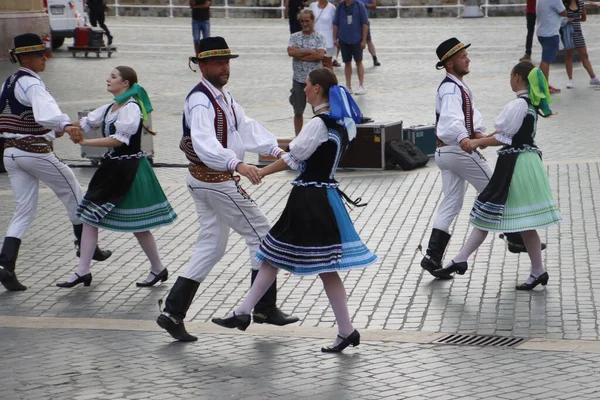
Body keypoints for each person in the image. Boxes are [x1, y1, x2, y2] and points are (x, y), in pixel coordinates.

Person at [212, 68, 377, 353]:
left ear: (317, 89)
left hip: (309, 199)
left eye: (308, 85)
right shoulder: (338, 123)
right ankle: (245, 311)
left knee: (281, 256)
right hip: (323, 196)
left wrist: (261, 172)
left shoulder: (319, 124)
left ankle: (245, 311)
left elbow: (293, 158)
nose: (304, 89)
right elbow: (300, 159)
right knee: (284, 257)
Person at [156, 37, 299, 342]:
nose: (225, 67)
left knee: (212, 245)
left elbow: (245, 127)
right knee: (263, 236)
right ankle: (262, 306)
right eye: (219, 63)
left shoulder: (222, 96)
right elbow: (204, 142)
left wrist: (274, 149)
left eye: (228, 62)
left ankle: (172, 312)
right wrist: (236, 164)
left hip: (207, 180)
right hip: (216, 180)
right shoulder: (200, 101)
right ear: (202, 65)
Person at [420, 38, 545, 279]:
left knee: (451, 203)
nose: (468, 59)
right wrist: (465, 138)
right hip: (457, 150)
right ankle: (516, 238)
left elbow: (470, 115)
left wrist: (477, 132)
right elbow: (451, 118)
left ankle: (432, 256)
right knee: (496, 188)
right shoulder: (449, 88)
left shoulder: (459, 86)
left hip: (445, 153)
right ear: (449, 62)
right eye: (462, 56)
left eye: (466, 55)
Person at [434, 61, 561, 289]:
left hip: (515, 165)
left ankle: (461, 259)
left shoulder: (517, 105)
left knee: (491, 211)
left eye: (510, 76)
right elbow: (505, 132)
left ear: (516, 77)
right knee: (516, 219)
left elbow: (503, 138)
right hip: (525, 162)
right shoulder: (529, 104)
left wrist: (476, 142)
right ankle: (536, 270)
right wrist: (482, 140)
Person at [0, 34, 112, 292]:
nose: (45, 57)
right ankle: (87, 246)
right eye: (40, 54)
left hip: (11, 154)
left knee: (24, 209)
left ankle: (6, 264)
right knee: (74, 192)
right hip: (34, 152)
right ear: (26, 57)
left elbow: (21, 116)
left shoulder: (9, 82)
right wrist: (63, 125)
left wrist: (53, 129)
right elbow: (45, 113)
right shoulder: (32, 84)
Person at [56, 66, 177, 288]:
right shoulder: (111, 108)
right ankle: (83, 271)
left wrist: (85, 143)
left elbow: (118, 140)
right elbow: (85, 123)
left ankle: (158, 268)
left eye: (113, 77)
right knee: (90, 218)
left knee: (137, 224)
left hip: (129, 170)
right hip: (112, 169)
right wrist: (61, 127)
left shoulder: (130, 108)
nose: (107, 79)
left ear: (126, 84)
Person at [288, 9, 326, 135]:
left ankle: (318, 136)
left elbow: (320, 56)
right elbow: (291, 52)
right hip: (298, 80)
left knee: (318, 110)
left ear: (313, 21)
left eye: (307, 21)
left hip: (316, 82)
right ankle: (298, 137)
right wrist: (311, 52)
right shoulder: (294, 37)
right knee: (298, 111)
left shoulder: (320, 37)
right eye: (302, 21)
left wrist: (300, 53)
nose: (304, 24)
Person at [562, 0, 600, 88]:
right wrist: (566, 20)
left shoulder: (581, 4)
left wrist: (574, 19)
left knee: (584, 55)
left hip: (578, 32)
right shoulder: (563, 4)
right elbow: (558, 17)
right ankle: (570, 79)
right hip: (568, 33)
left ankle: (593, 77)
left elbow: (584, 18)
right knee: (568, 56)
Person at [333, 0, 369, 95]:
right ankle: (348, 85)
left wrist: (364, 40)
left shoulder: (360, 6)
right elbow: (335, 23)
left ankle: (361, 85)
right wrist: (335, 38)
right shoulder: (340, 7)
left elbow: (364, 23)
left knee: (359, 61)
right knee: (347, 62)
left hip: (356, 39)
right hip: (343, 39)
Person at [536, 0, 567, 93]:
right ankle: (544, 87)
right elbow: (563, 12)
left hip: (541, 31)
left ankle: (544, 84)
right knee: (546, 61)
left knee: (545, 59)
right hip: (550, 33)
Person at [309, 0, 337, 70]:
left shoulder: (332, 8)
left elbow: (335, 24)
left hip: (328, 40)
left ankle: (331, 80)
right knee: (315, 63)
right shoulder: (312, 6)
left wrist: (335, 39)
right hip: (314, 39)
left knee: (327, 63)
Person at [358, 0, 381, 66]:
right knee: (356, 41)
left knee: (368, 40)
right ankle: (359, 60)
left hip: (364, 21)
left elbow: (374, 5)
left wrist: (364, 5)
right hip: (354, 21)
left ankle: (375, 58)